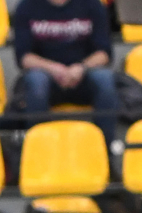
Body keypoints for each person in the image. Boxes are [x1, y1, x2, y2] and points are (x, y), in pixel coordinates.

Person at [14, 0, 118, 150]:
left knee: (105, 79)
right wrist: (52, 68)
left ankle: (106, 151)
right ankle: (38, 152)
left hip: (83, 77)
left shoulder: (93, 5)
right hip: (46, 78)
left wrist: (81, 68)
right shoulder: (27, 7)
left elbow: (104, 54)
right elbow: (24, 57)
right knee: (36, 80)